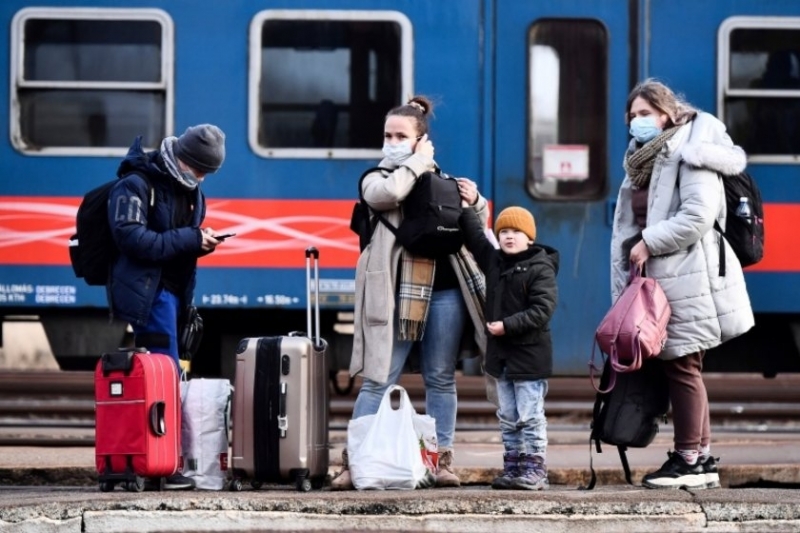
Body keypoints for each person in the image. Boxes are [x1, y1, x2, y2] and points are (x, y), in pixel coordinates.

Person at [332, 96, 488, 490]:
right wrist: (416, 161)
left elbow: (470, 227)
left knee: (440, 379)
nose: (392, 141)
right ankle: (356, 461)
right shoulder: (375, 178)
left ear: (421, 139)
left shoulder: (445, 182)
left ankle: (440, 461)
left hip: (446, 292)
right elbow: (389, 195)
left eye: (401, 135)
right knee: (377, 379)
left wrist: (478, 203)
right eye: (388, 135)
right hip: (396, 293)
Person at [610, 79, 755, 489]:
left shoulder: (689, 152)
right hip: (665, 277)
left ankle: (689, 459)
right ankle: (700, 459)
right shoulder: (645, 157)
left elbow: (698, 215)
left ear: (666, 114)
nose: (637, 122)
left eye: (645, 114)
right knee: (683, 365)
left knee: (683, 366)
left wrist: (647, 242)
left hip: (688, 274)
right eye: (632, 116)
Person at [107, 124, 228, 490]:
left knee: (170, 375)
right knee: (164, 376)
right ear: (182, 158)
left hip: (175, 294)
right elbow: (131, 239)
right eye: (199, 168)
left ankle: (160, 459)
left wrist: (201, 243)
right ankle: (165, 464)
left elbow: (177, 245)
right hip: (149, 292)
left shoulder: (194, 193)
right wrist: (191, 238)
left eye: (208, 172)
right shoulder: (136, 184)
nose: (201, 177)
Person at [459, 206, 559, 490]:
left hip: (529, 358)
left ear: (529, 237)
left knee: (529, 415)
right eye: (503, 232)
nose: (509, 237)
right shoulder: (495, 262)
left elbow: (542, 310)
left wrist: (507, 326)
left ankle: (535, 469)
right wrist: (468, 206)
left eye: (516, 231)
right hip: (501, 359)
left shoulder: (541, 268)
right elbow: (476, 238)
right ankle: (514, 467)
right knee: (508, 417)